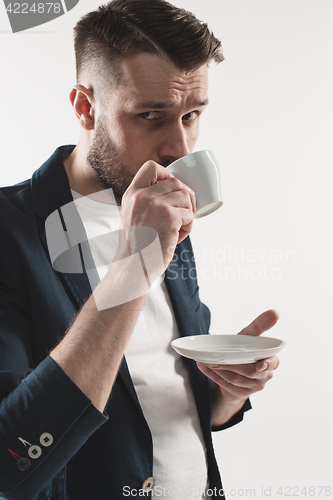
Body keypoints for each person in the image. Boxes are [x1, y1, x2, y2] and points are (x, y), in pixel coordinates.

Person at [0, 1, 280, 499]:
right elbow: (11, 459)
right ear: (86, 107)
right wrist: (133, 266)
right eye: (152, 115)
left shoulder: (166, 208)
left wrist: (225, 393)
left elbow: (157, 398)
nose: (180, 147)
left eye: (192, 115)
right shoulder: (8, 232)